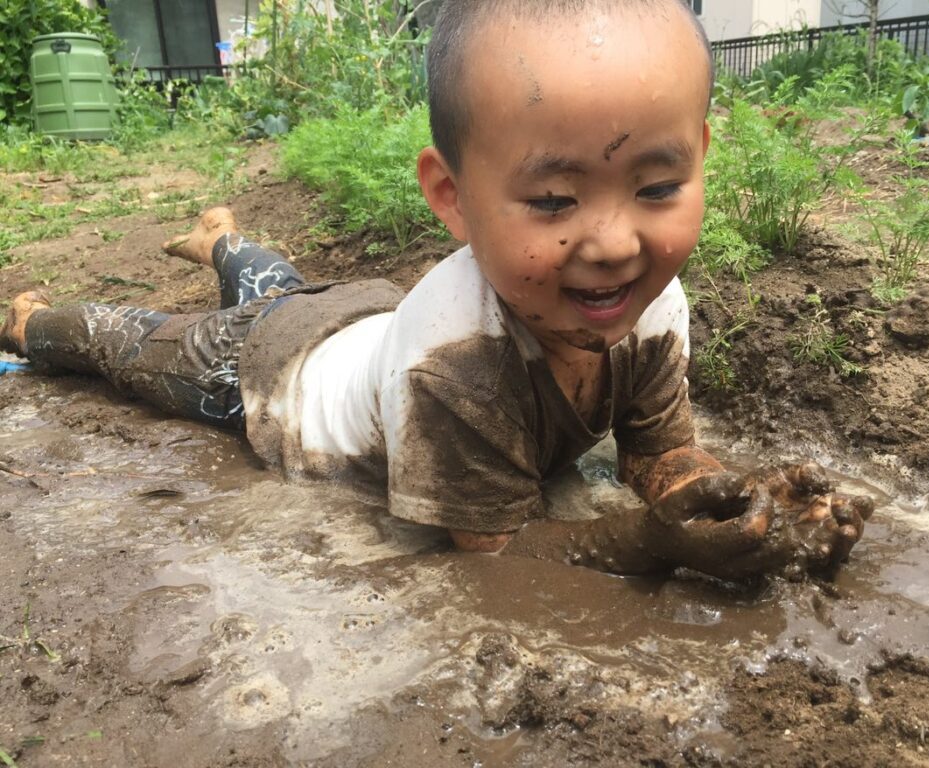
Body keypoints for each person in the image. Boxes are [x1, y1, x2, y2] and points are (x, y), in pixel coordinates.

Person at [0, 0, 872, 579]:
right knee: (131, 343)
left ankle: (221, 237)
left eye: (655, 188)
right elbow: (499, 555)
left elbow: (655, 455)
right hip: (267, 374)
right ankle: (30, 320)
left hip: (360, 318)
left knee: (274, 280)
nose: (614, 244)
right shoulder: (453, 366)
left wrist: (732, 505)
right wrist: (655, 546)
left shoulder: (650, 306)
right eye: (554, 200)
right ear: (452, 197)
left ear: (701, 163)